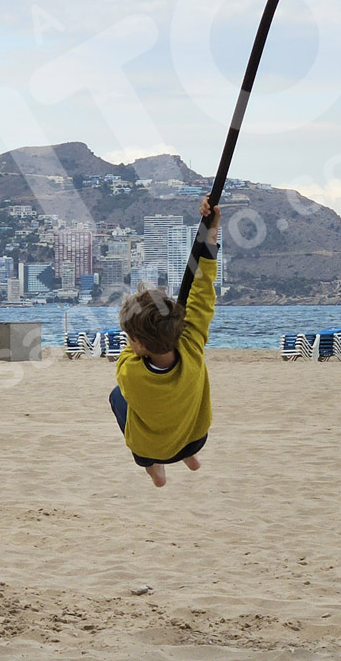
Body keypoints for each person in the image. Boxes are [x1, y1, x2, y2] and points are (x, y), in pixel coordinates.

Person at [109, 196, 220, 487]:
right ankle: (189, 458)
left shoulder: (131, 372)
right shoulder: (192, 343)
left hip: (151, 449)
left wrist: (135, 342)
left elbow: (126, 357)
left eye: (130, 338)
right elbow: (203, 290)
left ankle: (153, 469)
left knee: (116, 397)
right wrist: (211, 229)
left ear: (139, 345)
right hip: (195, 439)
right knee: (171, 409)